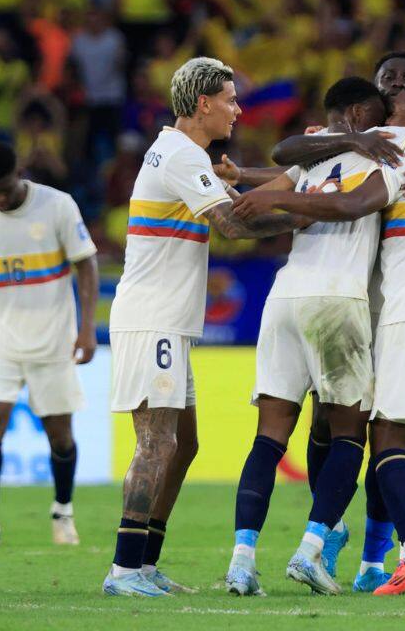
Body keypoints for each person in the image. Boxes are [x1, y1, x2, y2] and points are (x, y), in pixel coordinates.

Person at [218, 78, 405, 597]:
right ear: (359, 115)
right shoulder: (384, 154)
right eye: (379, 112)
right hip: (340, 301)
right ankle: (312, 550)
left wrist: (264, 196)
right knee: (353, 435)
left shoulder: (312, 158)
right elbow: (349, 204)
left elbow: (282, 162)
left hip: (284, 298)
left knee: (269, 438)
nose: (385, 120)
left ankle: (242, 560)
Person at [103, 57, 308, 598]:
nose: (238, 110)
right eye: (231, 100)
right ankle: (124, 569)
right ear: (203, 104)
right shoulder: (181, 154)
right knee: (157, 442)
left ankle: (145, 563)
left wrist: (295, 198)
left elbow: (235, 206)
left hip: (167, 319)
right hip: (152, 319)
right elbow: (232, 225)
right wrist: (312, 214)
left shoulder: (181, 154)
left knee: (183, 444)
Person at [0, 142, 99, 548]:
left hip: (54, 337)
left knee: (59, 433)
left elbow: (86, 265)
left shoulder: (58, 205)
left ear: (19, 174)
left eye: (4, 190)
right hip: (1, 337)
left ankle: (63, 512)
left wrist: (87, 329)